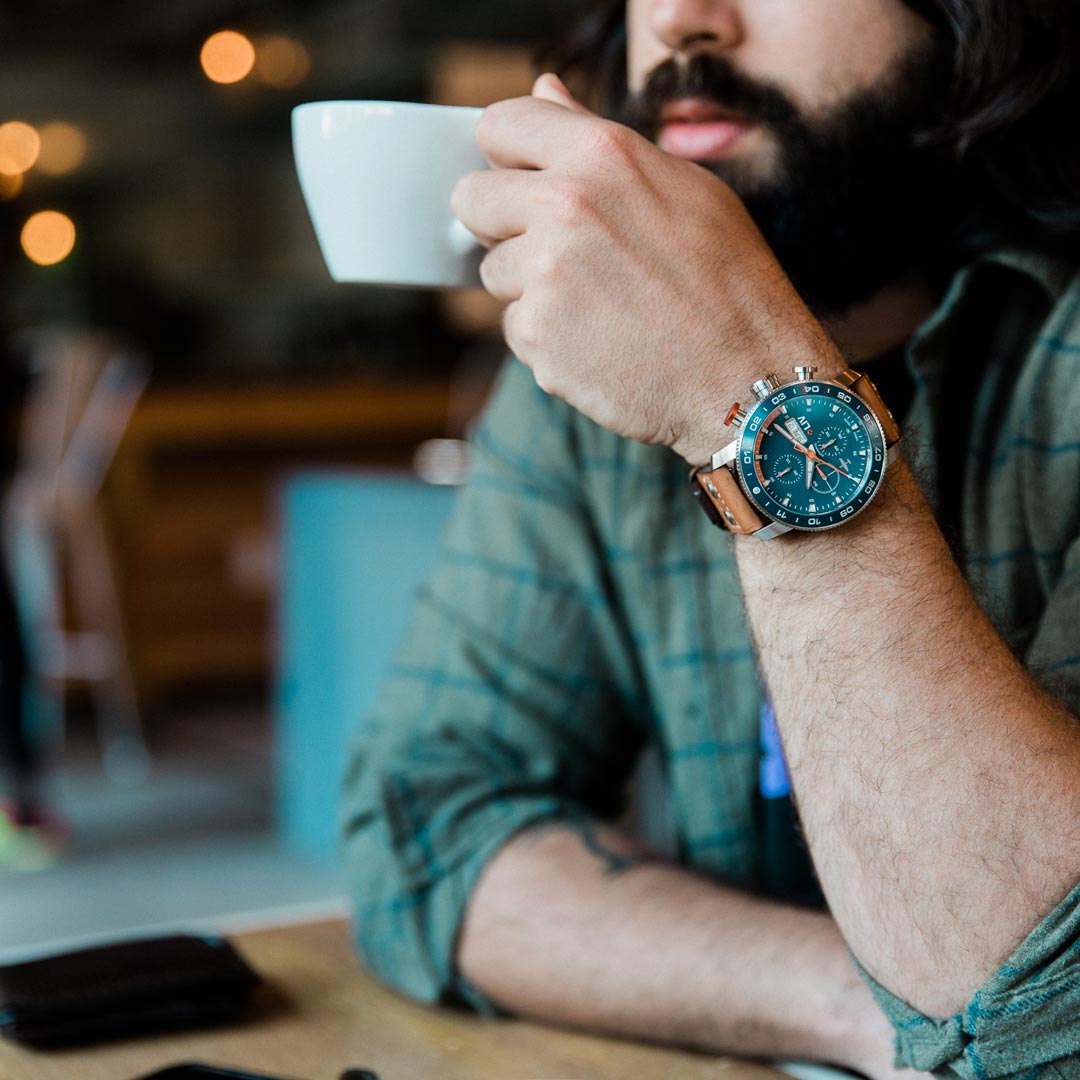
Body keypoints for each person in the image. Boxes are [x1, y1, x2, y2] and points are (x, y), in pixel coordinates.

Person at [341, 1, 1080, 1077]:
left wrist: (746, 392)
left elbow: (1054, 1017)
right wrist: (861, 1008)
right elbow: (425, 834)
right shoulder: (581, 385)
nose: (685, 19)